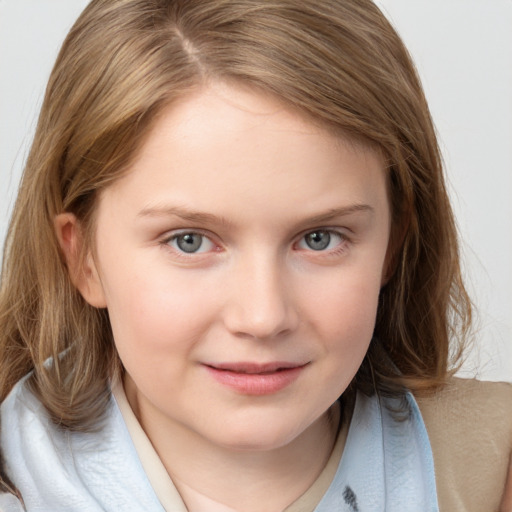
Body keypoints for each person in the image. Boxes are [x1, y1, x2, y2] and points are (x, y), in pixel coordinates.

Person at [0, 0, 511, 510]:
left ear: (392, 245)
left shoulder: (492, 464)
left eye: (320, 238)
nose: (263, 317)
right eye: (189, 241)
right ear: (83, 257)